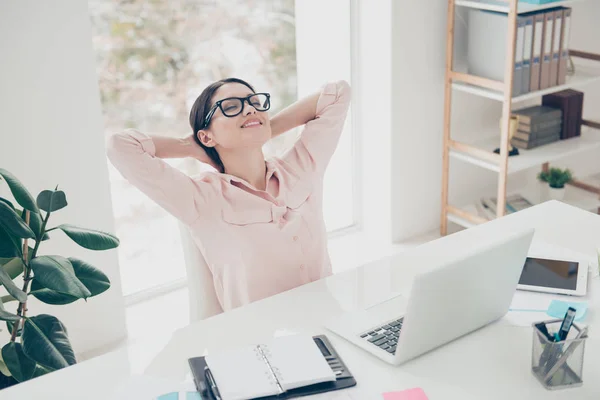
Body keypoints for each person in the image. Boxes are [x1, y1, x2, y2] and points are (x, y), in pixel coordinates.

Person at [106, 78, 351, 311]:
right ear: (206, 135)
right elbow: (120, 146)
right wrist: (191, 147)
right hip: (262, 344)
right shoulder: (201, 199)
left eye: (255, 103)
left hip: (332, 324)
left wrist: (263, 128)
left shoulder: (300, 168)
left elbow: (338, 94)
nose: (249, 110)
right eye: (231, 107)